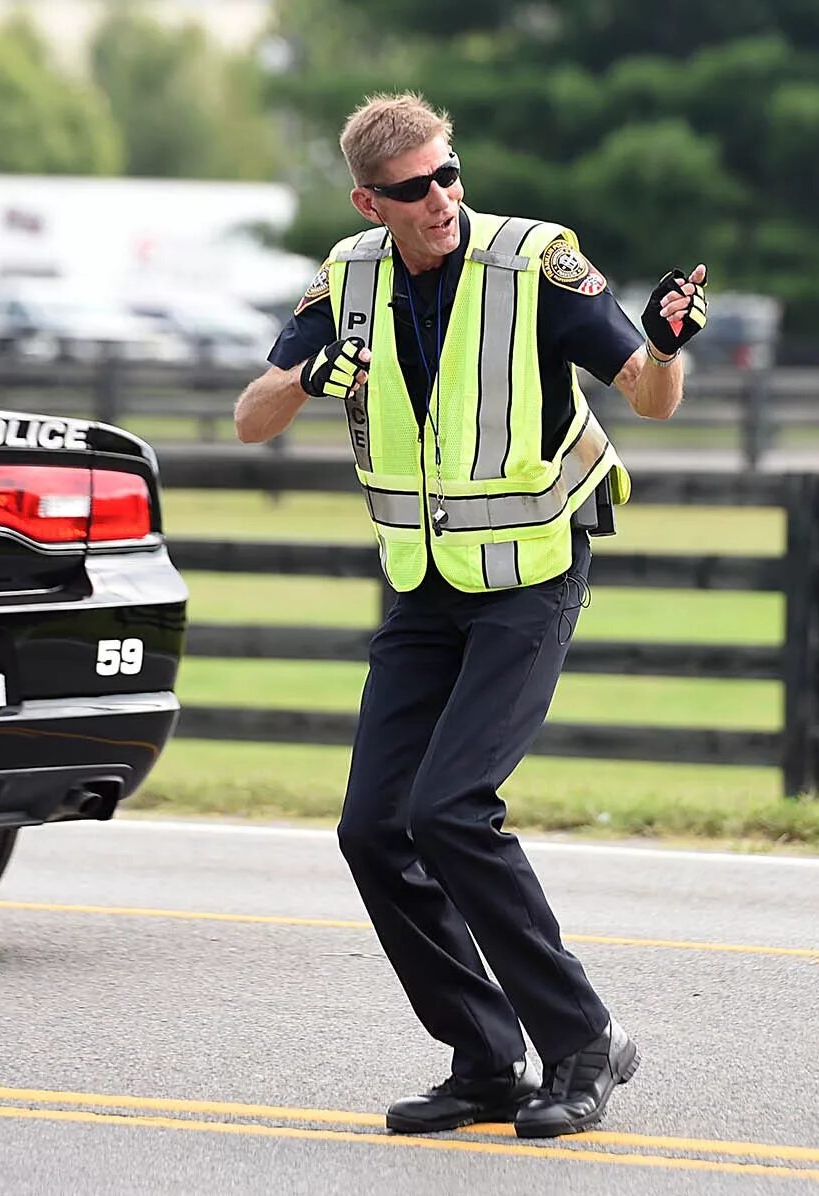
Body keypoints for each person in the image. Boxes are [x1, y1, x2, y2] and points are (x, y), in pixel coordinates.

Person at [233, 93, 706, 1139]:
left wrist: (668, 343)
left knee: (450, 807)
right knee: (370, 827)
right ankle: (487, 1057)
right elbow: (250, 416)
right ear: (371, 199)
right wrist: (310, 376)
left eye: (451, 175)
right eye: (415, 188)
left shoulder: (533, 262)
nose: (443, 198)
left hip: (534, 564)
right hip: (425, 579)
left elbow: (648, 392)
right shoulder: (349, 276)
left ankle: (585, 1043)